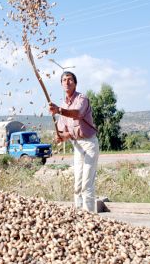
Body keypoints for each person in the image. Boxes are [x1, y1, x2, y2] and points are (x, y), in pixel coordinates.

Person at [49, 71, 99, 212]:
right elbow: (65, 133)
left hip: (89, 143)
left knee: (86, 184)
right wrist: (60, 137)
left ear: (75, 83)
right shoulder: (63, 105)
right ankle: (78, 215)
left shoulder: (82, 99)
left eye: (70, 79)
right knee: (77, 184)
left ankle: (90, 217)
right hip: (77, 145)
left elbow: (77, 113)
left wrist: (59, 110)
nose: (67, 82)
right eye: (64, 80)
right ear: (61, 84)